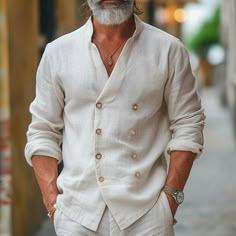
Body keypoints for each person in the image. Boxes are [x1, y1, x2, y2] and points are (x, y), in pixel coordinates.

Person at [25, 0, 205, 235]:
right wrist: (53, 204)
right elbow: (42, 130)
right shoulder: (58, 53)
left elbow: (188, 123)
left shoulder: (168, 50)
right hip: (77, 215)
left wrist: (169, 200)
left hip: (147, 215)